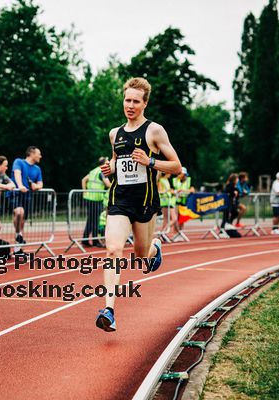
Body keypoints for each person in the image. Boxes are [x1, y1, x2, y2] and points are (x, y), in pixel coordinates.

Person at [97, 77, 182, 332]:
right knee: (112, 249)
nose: (130, 105)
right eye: (127, 100)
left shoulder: (154, 131)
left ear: (144, 104)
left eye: (136, 101)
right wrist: (109, 168)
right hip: (120, 200)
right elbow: (117, 161)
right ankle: (109, 310)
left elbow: (176, 166)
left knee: (141, 255)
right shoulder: (115, 133)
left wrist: (150, 162)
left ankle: (155, 248)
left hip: (145, 202)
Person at [8, 146, 43, 251]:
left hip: (27, 196)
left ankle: (18, 248)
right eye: (39, 153)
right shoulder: (19, 162)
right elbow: (17, 173)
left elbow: (40, 184)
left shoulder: (37, 169)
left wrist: (36, 186)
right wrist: (20, 185)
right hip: (16, 193)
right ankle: (18, 234)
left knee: (23, 220)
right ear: (32, 153)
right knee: (19, 212)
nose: (40, 156)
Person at [81, 157, 111, 247]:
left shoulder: (93, 171)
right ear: (104, 163)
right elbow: (108, 184)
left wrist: (84, 191)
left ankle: (85, 239)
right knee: (95, 220)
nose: (109, 163)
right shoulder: (102, 171)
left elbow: (83, 180)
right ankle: (95, 241)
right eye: (107, 162)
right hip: (96, 199)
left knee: (90, 220)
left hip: (89, 198)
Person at [172, 167, 195, 237]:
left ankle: (180, 233)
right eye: (182, 174)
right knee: (175, 218)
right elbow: (171, 190)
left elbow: (192, 190)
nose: (183, 176)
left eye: (184, 174)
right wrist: (176, 192)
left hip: (184, 201)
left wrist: (183, 191)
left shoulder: (189, 180)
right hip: (175, 201)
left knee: (182, 218)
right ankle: (176, 233)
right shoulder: (174, 180)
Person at [157, 171, 177, 235]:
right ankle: (163, 232)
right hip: (165, 201)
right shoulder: (161, 180)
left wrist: (172, 192)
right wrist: (167, 191)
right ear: (167, 173)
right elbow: (159, 191)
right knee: (174, 219)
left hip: (169, 201)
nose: (170, 174)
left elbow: (168, 190)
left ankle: (162, 233)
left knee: (165, 220)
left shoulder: (166, 180)